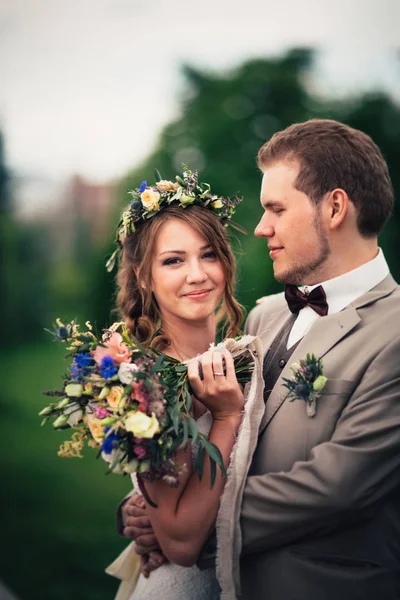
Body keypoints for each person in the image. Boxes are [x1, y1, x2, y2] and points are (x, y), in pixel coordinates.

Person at [126, 119, 400, 600]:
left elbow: (336, 489)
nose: (260, 227)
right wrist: (148, 500)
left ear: (334, 207)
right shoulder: (264, 316)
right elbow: (221, 442)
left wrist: (180, 525)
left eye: (275, 208)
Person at [106, 177, 264, 600]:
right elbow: (180, 542)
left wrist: (135, 507)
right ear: (143, 276)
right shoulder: (149, 384)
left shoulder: (249, 350)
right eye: (174, 261)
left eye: (209, 255)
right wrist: (227, 417)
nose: (197, 275)